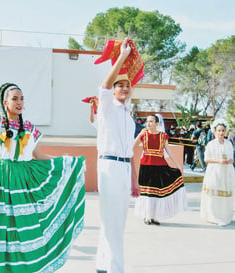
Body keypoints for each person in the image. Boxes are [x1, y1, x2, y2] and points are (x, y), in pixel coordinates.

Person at [0, 60, 86, 273]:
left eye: (22, 99)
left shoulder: (30, 128)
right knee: (2, 226)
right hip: (3, 179)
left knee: (25, 228)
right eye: (14, 99)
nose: (19, 102)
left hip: (24, 180)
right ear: (5, 103)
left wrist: (66, 162)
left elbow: (38, 155)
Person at [94, 37, 140, 273]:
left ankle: (102, 264)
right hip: (109, 167)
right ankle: (116, 268)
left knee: (116, 223)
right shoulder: (107, 108)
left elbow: (130, 152)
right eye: (119, 85)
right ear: (114, 89)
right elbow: (103, 86)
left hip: (123, 169)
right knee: (112, 222)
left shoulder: (129, 117)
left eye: (127, 85)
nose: (123, 88)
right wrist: (122, 56)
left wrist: (134, 180)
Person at [133, 114, 186, 225]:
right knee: (147, 193)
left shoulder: (163, 136)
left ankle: (155, 216)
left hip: (160, 166)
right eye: (147, 121)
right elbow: (133, 146)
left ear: (157, 123)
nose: (148, 123)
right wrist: (139, 135)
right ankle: (147, 216)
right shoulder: (143, 135)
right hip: (146, 166)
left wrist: (178, 165)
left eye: (151, 121)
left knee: (157, 192)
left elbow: (169, 151)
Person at [200, 119, 235, 226]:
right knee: (213, 193)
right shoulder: (211, 144)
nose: (221, 133)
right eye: (219, 130)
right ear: (215, 131)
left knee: (225, 193)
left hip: (226, 171)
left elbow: (231, 157)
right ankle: (212, 216)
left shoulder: (229, 143)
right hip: (214, 171)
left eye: (223, 130)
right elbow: (206, 159)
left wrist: (229, 161)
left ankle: (224, 215)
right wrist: (219, 161)